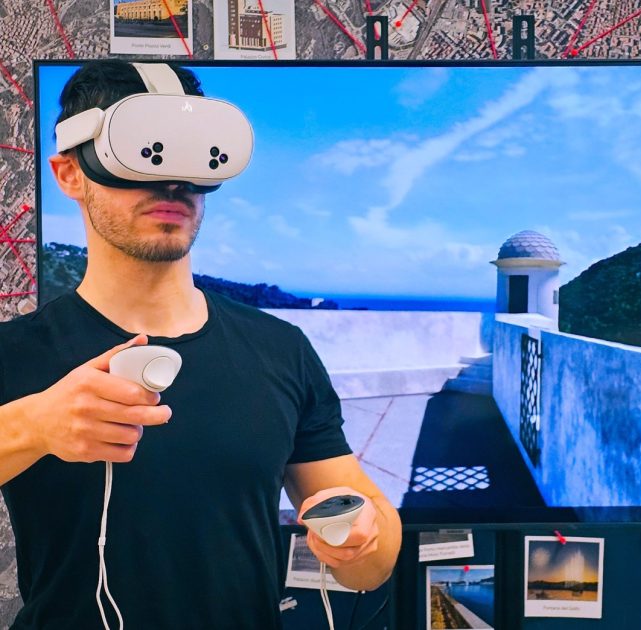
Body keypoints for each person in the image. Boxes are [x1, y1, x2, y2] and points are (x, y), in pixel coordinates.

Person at [0, 60, 401, 629]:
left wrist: (361, 538)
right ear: (70, 174)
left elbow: (371, 566)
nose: (172, 182)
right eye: (143, 155)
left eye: (190, 158)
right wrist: (34, 425)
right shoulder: (14, 354)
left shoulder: (281, 350)